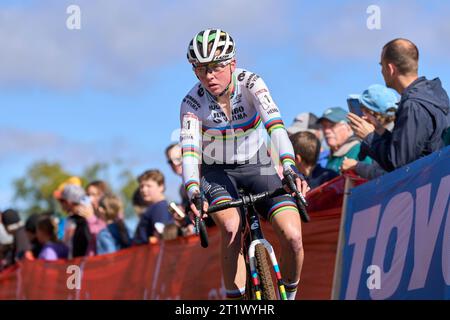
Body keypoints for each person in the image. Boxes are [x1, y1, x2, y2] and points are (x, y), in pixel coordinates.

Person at [180, 29, 309, 300]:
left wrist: (289, 165)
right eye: (200, 69)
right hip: (217, 172)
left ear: (232, 64)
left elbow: (275, 127)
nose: (209, 76)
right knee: (229, 228)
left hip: (259, 164)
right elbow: (190, 152)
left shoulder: (251, 83)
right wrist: (193, 189)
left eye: (215, 67)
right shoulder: (192, 103)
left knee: (293, 237)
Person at [348, 38, 450, 171]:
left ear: (390, 69)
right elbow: (410, 149)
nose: (381, 71)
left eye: (381, 65)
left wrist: (369, 137)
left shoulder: (413, 105)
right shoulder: (433, 94)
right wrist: (381, 132)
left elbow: (399, 163)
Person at [342, 84, 399, 179]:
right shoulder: (377, 135)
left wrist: (356, 166)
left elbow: (389, 174)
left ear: (376, 114)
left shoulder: (397, 135)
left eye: (365, 111)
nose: (362, 117)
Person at [318, 107, 372, 174]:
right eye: (324, 126)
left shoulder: (360, 149)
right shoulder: (330, 156)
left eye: (332, 125)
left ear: (348, 126)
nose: (326, 131)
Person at [133, 170, 175, 245]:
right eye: (142, 186)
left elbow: (161, 236)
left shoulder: (160, 208)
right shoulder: (154, 207)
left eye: (149, 186)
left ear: (161, 187)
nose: (144, 190)